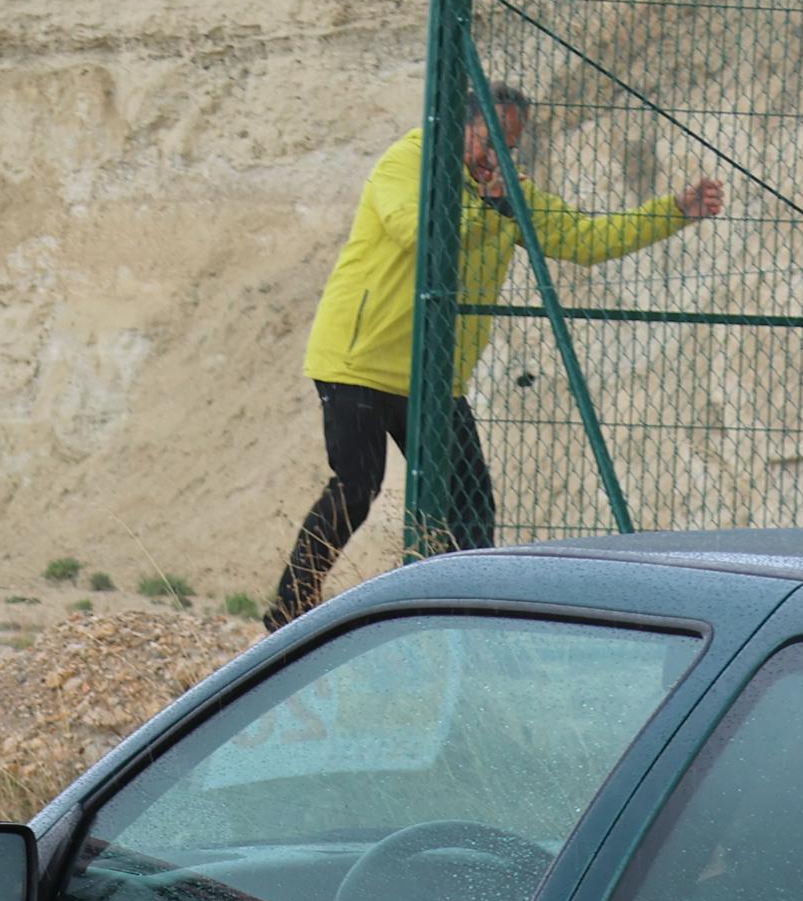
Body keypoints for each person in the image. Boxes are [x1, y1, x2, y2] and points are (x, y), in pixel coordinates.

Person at [270, 86, 721, 626]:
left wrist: (671, 212)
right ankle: (290, 608)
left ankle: (462, 616)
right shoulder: (409, 160)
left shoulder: (507, 190)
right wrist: (490, 208)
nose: (497, 157)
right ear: (460, 128)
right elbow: (421, 234)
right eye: (490, 142)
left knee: (468, 499)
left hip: (435, 377)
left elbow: (584, 239)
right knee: (358, 483)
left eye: (510, 146)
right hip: (360, 359)